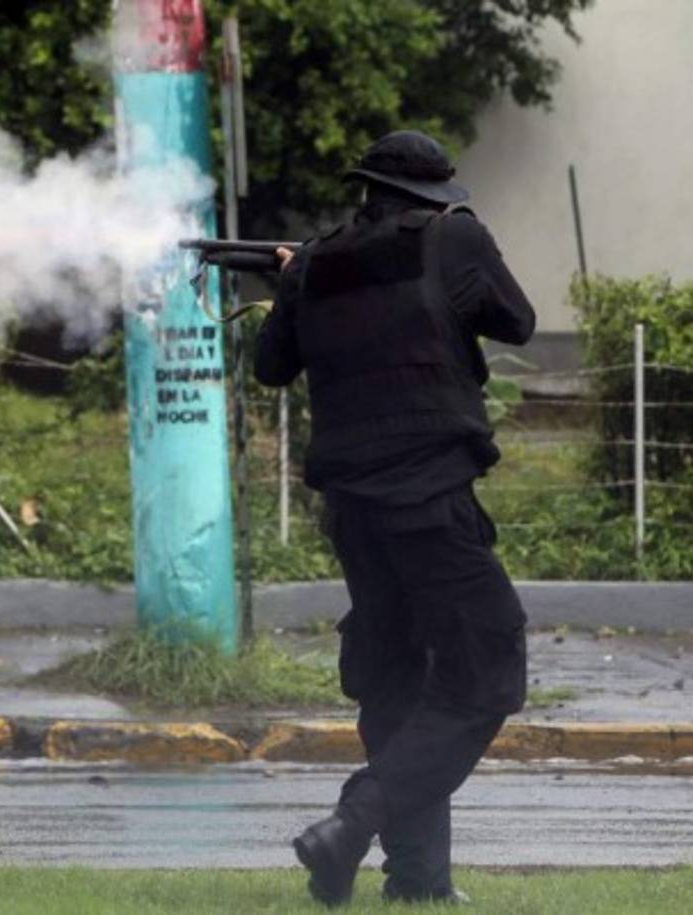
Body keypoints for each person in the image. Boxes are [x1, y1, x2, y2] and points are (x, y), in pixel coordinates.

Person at [254, 130, 535, 907]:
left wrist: (292, 281)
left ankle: (417, 879)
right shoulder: (455, 237)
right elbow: (517, 321)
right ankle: (355, 820)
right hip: (432, 502)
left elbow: (271, 365)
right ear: (435, 196)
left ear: (369, 188)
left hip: (354, 516)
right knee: (489, 669)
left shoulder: (314, 261)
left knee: (398, 680)